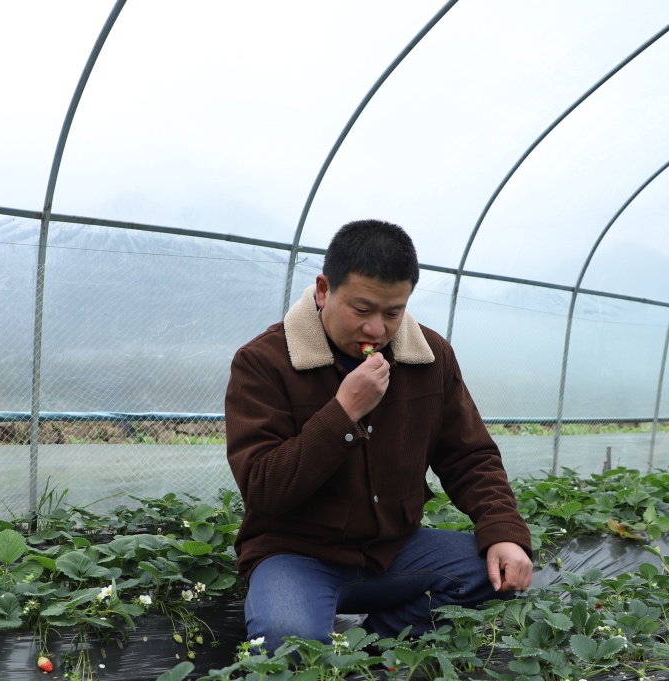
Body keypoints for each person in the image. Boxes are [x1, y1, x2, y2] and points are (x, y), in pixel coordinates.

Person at [224, 219, 533, 653]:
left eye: (394, 312)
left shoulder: (430, 356)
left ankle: (377, 642)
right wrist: (343, 411)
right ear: (323, 289)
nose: (377, 330)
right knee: (287, 640)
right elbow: (264, 488)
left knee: (495, 568)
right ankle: (321, 628)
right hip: (297, 554)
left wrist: (503, 529)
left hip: (394, 552)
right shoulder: (264, 362)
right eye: (362, 309)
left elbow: (470, 457)